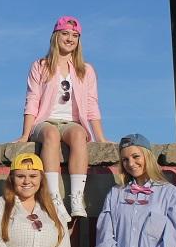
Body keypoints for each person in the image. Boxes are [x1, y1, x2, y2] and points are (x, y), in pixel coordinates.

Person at [17, 16, 108, 219]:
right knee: (50, 135)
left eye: (75, 35)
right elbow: (32, 98)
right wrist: (25, 134)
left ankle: (76, 198)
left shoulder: (86, 70)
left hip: (72, 123)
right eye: (65, 34)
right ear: (56, 36)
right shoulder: (41, 66)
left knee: (78, 135)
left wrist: (100, 137)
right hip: (45, 121)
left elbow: (92, 104)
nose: (70, 39)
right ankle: (54, 199)